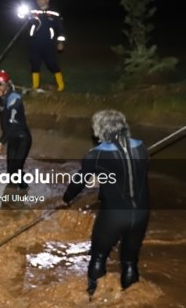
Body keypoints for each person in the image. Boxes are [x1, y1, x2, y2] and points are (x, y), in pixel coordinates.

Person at [62, 109, 150, 297]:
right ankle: (131, 304)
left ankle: (94, 300)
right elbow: (129, 175)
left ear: (99, 130)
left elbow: (79, 183)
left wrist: (67, 198)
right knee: (129, 262)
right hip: (141, 213)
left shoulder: (95, 155)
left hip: (114, 216)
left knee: (98, 257)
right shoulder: (142, 148)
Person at [25, 0, 66, 91]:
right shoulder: (33, 11)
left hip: (49, 44)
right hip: (34, 43)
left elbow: (60, 29)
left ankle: (61, 86)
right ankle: (35, 86)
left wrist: (60, 42)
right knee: (34, 64)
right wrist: (23, 14)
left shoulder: (54, 13)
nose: (39, 1)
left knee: (51, 64)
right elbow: (22, 18)